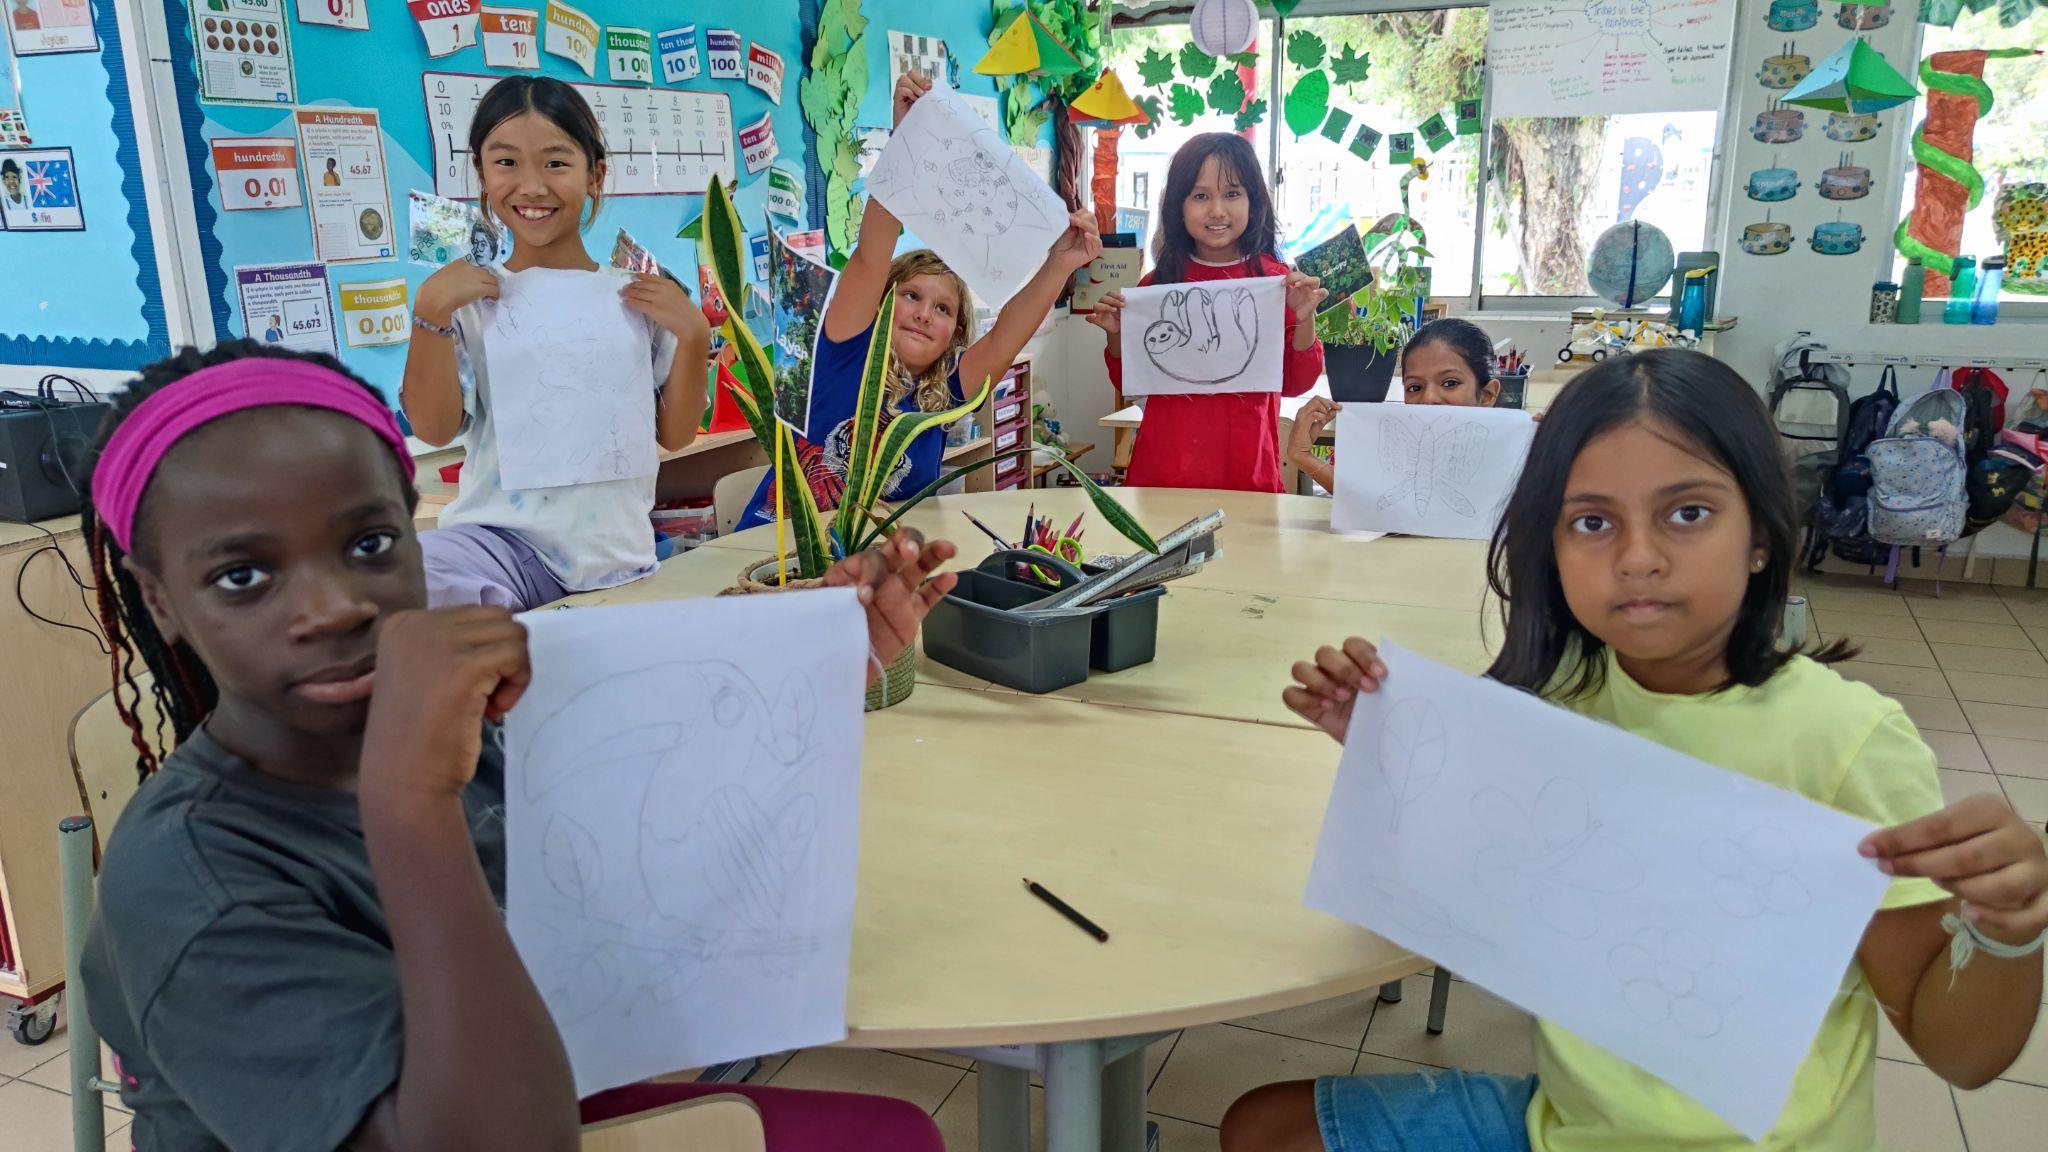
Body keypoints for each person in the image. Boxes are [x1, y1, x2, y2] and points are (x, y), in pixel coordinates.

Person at [76, 339, 956, 1152]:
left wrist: (811, 667)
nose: (334, 608)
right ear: (160, 603)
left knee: (895, 1137)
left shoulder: (462, 711)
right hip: (471, 1120)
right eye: (242, 575)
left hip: (515, 1072)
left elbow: (645, 813)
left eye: (371, 543)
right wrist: (411, 807)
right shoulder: (188, 886)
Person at [1224, 349, 2047, 1152]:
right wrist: (1395, 754)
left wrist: (2010, 929)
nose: (1639, 558)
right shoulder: (1562, 694)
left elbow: (1961, 1053)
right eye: (1593, 522)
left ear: (1761, 535)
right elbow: (1484, 887)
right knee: (1263, 1128)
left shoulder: (1844, 742)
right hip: (1572, 1125)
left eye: (1688, 514)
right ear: (1550, 546)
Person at [734, 69, 1101, 529]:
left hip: (868, 560)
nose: (925, 314)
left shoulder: (946, 393)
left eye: (943, 309)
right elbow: (871, 256)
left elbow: (1004, 338)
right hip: (775, 553)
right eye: (911, 295)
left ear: (955, 333)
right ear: (882, 301)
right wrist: (907, 137)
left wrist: (1061, 263)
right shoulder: (847, 347)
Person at [402, 75, 711, 610]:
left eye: (555, 163)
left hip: (614, 560)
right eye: (506, 162)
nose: (531, 186)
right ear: (481, 173)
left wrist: (695, 336)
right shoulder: (470, 298)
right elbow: (433, 429)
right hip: (502, 551)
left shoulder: (639, 297)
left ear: (595, 175)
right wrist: (428, 313)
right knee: (409, 580)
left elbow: (676, 434)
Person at [1085, 132, 1326, 492]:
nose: (1217, 210)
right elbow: (1127, 380)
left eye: (1232, 193)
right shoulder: (1157, 285)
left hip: (1247, 477)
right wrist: (1116, 335)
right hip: (1162, 477)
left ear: (1254, 201)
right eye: (1200, 196)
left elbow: (1296, 382)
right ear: (1178, 207)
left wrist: (1305, 319)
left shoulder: (1277, 284)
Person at [1286, 318, 1501, 494]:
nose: (1428, 398)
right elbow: (1368, 500)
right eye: (1415, 387)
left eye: (1450, 383)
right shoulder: (1403, 450)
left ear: (1487, 395)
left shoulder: (1505, 461)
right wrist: (1301, 454)